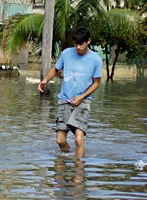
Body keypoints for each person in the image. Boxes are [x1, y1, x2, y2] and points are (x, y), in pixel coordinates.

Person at [37, 27, 102, 159]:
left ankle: (78, 172)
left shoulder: (96, 59)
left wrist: (81, 97)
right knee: (60, 141)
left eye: (81, 44)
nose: (78, 47)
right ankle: (67, 162)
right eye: (76, 44)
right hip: (64, 100)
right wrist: (45, 80)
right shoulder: (66, 53)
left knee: (78, 139)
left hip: (83, 101)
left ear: (88, 41)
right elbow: (55, 69)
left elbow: (96, 83)